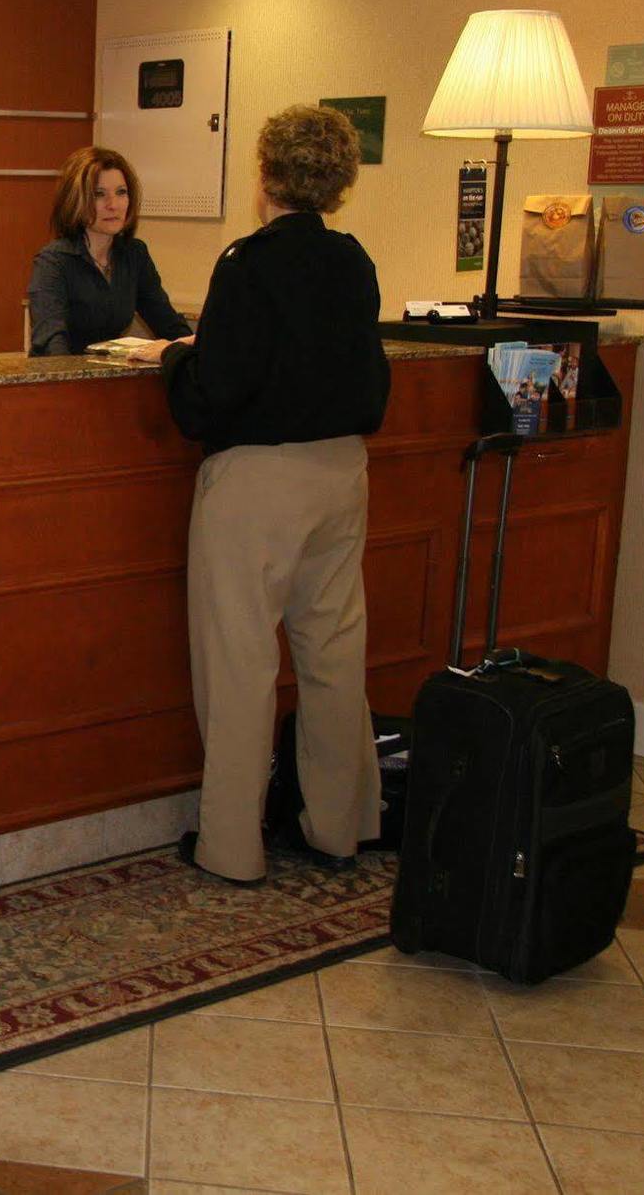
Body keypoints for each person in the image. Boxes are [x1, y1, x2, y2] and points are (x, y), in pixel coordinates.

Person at [132, 105, 392, 885]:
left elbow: (213, 392)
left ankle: (232, 846)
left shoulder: (248, 264)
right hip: (342, 473)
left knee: (241, 661)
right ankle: (339, 826)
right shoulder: (353, 260)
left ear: (266, 175)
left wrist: (175, 361)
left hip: (258, 484)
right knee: (335, 655)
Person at [26, 147, 192, 355]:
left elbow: (168, 324)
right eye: (99, 194)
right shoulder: (53, 261)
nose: (113, 205)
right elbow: (51, 342)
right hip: (62, 380)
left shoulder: (134, 254)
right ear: (75, 200)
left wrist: (195, 349)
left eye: (121, 192)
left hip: (108, 379)